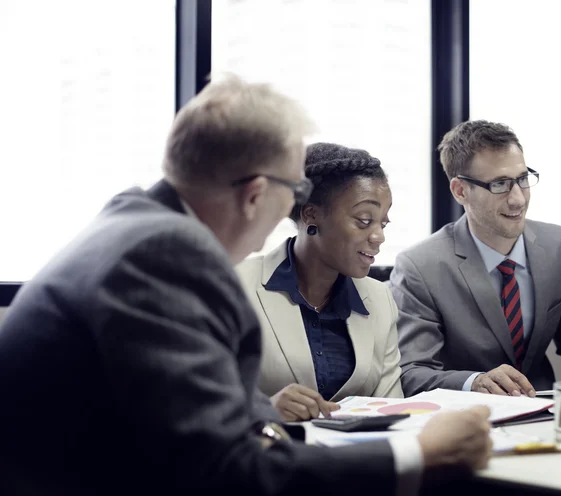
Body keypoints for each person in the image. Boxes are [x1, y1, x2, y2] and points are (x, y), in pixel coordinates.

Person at [0, 75, 492, 496]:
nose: (293, 210)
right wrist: (416, 453)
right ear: (257, 194)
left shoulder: (134, 222)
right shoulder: (168, 257)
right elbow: (223, 474)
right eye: (294, 193)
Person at [388, 119, 561, 397]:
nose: (518, 200)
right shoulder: (419, 266)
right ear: (460, 191)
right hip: (464, 419)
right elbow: (412, 372)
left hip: (544, 409)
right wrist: (475, 382)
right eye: (500, 184)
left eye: (523, 179)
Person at [237, 143, 402, 422]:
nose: (378, 236)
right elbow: (196, 402)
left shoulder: (379, 299)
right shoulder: (237, 284)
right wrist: (265, 410)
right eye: (364, 221)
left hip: (357, 459)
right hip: (265, 455)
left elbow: (391, 406)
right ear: (310, 215)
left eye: (382, 224)